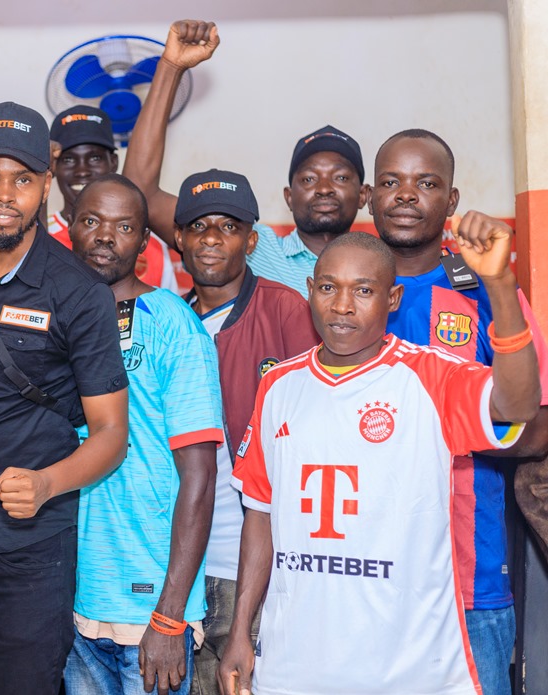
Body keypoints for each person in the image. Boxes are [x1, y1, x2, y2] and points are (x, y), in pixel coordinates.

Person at [219, 229, 541, 695]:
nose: (342, 306)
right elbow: (260, 515)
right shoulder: (278, 386)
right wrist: (240, 631)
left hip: (413, 671)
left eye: (363, 291)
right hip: (294, 668)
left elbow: (518, 404)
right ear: (309, 290)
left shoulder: (431, 377)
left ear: (392, 299)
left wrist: (500, 285)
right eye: (328, 287)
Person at [0, 101, 129, 695]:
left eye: (22, 179)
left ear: (46, 183)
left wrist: (47, 484)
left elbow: (112, 434)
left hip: (30, 550)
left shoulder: (79, 293)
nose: (5, 196)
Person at [370, 129, 548, 695]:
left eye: (425, 183)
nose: (406, 194)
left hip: (468, 579)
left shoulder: (487, 292)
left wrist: (438, 430)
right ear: (370, 197)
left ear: (451, 201)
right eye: (391, 181)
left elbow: (538, 428)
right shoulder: (343, 294)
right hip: (360, 576)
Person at [63, 174, 223, 695]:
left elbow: (200, 476)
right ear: (70, 228)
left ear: (144, 240)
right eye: (91, 221)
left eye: (123, 226)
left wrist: (170, 615)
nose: (105, 237)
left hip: (150, 612)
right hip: (74, 607)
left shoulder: (173, 323)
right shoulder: (56, 321)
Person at [166, 168, 317, 695]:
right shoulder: (168, 318)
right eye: (198, 226)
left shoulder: (285, 310)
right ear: (178, 238)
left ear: (251, 241)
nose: (211, 238)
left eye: (228, 227)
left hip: (251, 568)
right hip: (179, 571)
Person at [124, 20, 368, 298]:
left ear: (364, 195)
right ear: (289, 196)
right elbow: (139, 193)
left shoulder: (382, 261)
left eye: (340, 177)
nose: (324, 188)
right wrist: (171, 67)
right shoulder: (251, 246)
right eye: (309, 179)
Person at [48, 105, 180, 292]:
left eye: (94, 158)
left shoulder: (152, 247)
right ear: (53, 167)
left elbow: (164, 306)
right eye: (68, 159)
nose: (82, 171)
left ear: (113, 162)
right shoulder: (37, 236)